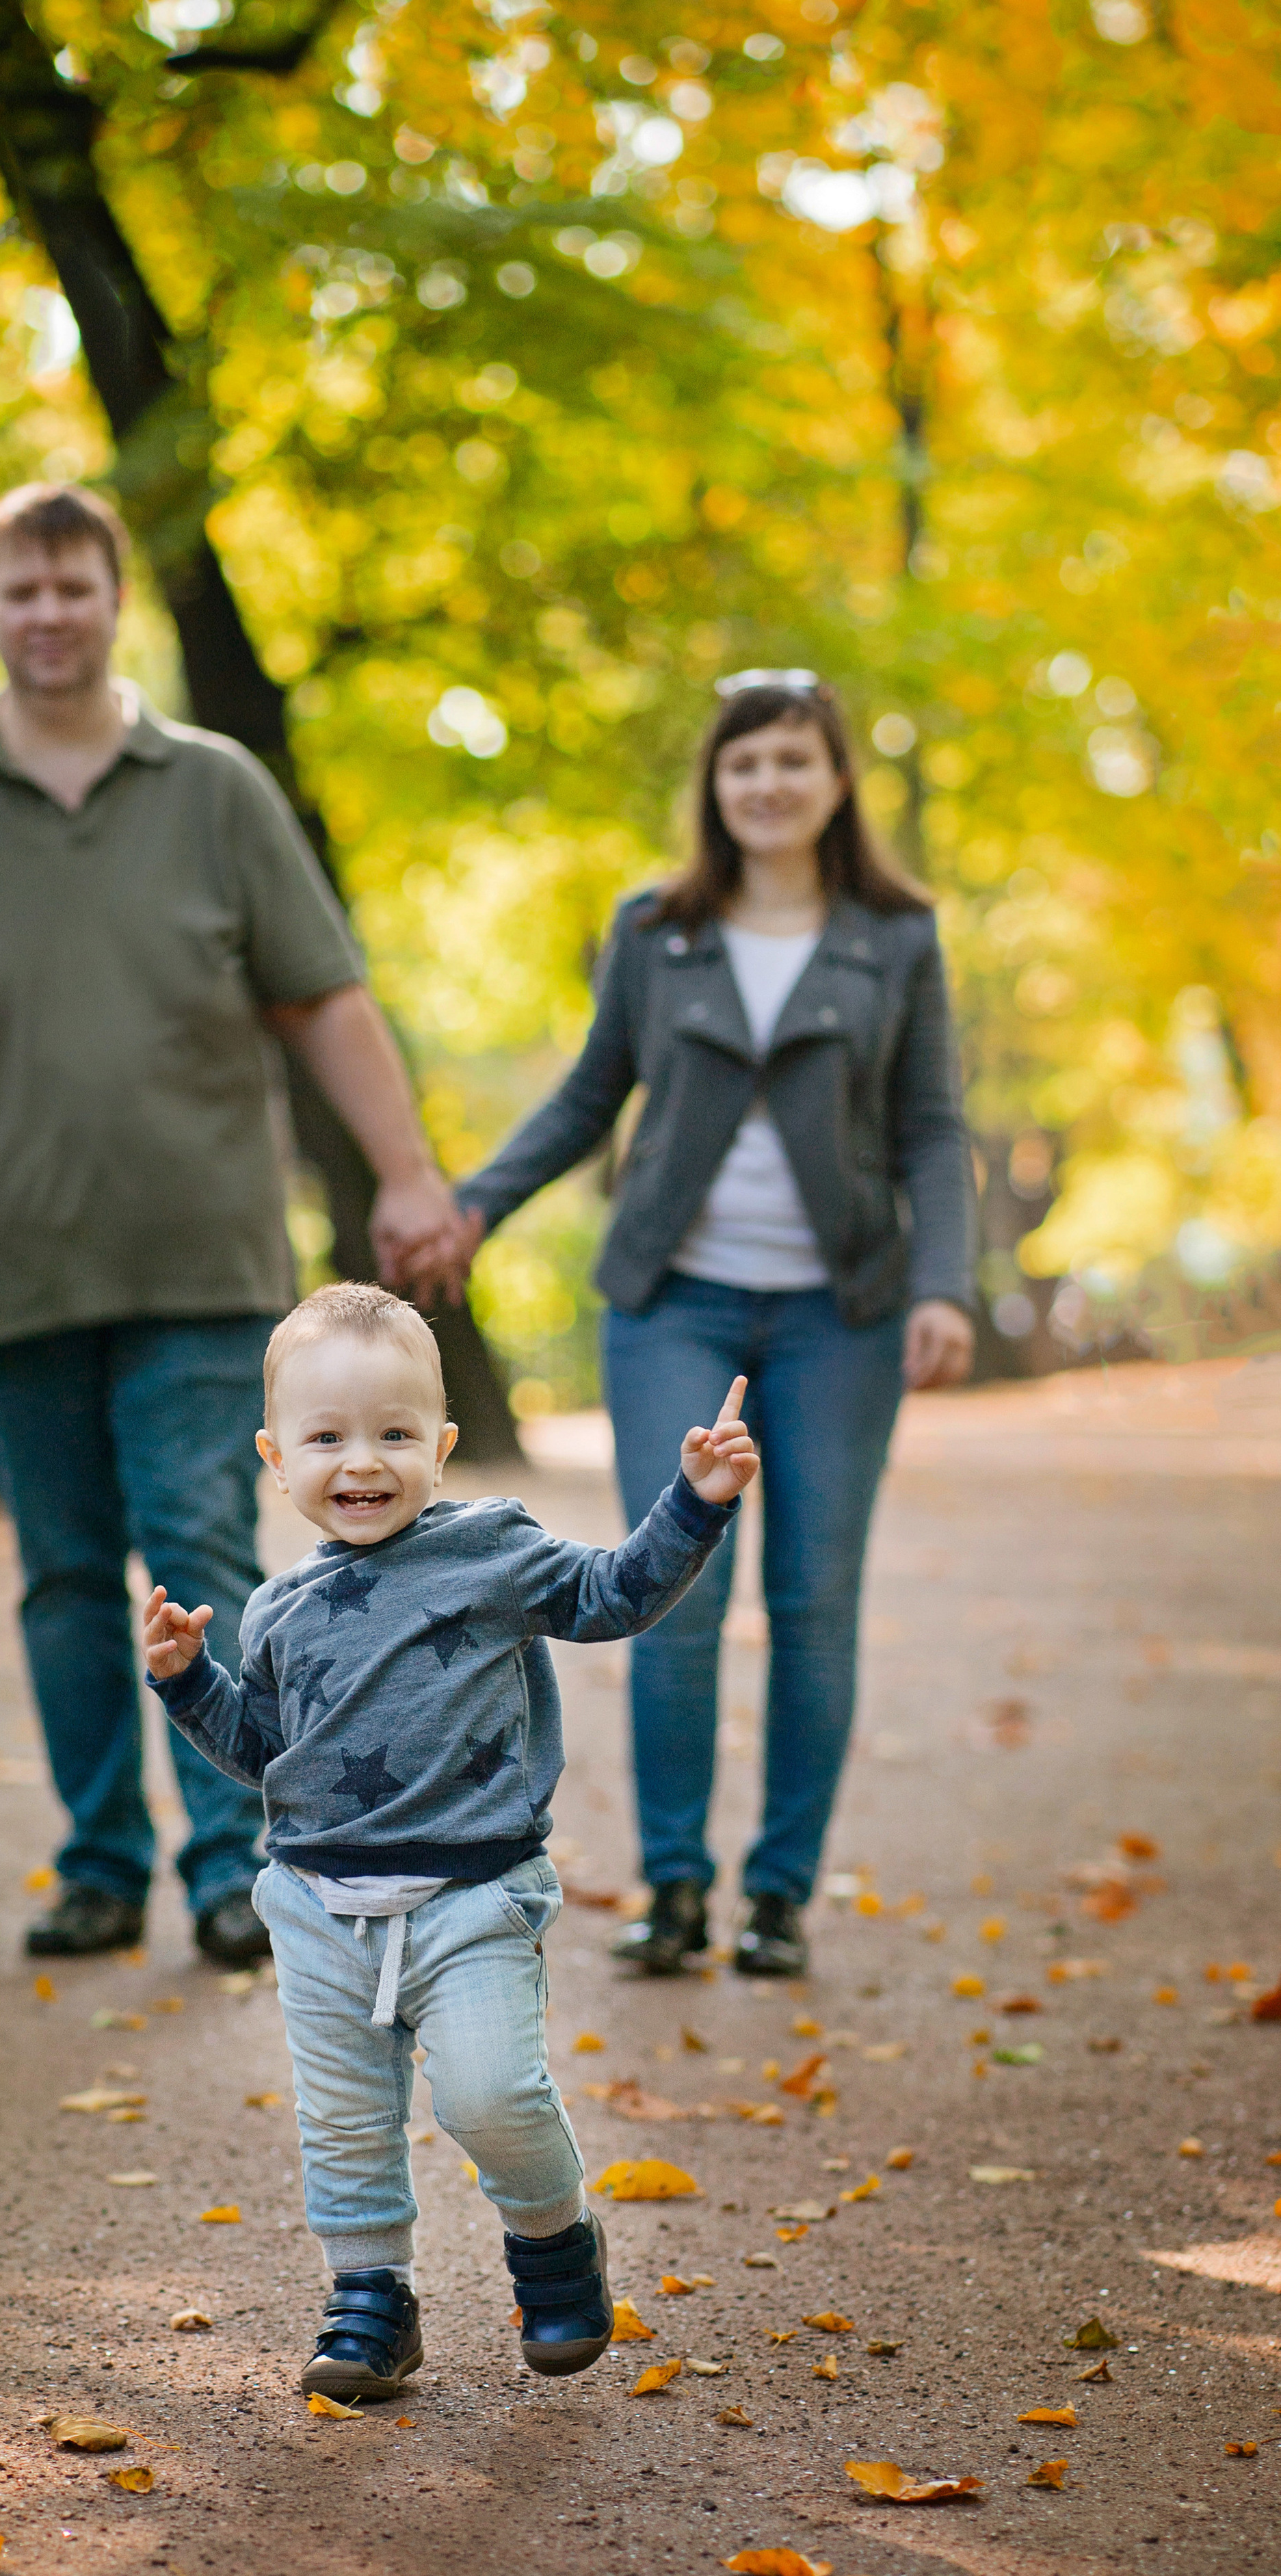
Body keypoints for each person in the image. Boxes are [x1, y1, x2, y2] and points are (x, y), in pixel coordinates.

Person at [0, 482, 471, 1968]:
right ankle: (99, 1863)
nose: (48, 614)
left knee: (199, 1554)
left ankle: (231, 1864)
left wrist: (407, 1170)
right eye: (20, 591)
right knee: (57, 1573)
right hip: (6, 1266)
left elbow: (323, 995)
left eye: (73, 587)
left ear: (115, 601)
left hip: (199, 1259)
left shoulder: (215, 787)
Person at [448, 670, 977, 1984]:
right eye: (745, 765)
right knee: (672, 1590)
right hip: (674, 1305)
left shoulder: (896, 936)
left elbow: (932, 1126)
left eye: (795, 760)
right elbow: (586, 1099)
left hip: (840, 1317)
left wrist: (943, 1287)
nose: (770, 785)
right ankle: (675, 1890)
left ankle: (779, 1895)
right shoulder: (656, 928)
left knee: (814, 1599)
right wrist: (472, 1208)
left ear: (836, 780)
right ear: (716, 788)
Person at [141, 1280, 758, 2400]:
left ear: (443, 1444)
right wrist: (189, 1685)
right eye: (327, 1438)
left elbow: (616, 1595)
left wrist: (696, 1502)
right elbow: (268, 1756)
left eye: (394, 1433)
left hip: (473, 1895)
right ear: (278, 1458)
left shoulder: (490, 1552)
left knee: (491, 2095)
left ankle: (555, 2245)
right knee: (344, 2128)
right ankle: (372, 2302)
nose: (361, 1462)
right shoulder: (275, 1608)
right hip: (320, 1909)